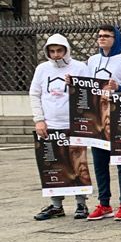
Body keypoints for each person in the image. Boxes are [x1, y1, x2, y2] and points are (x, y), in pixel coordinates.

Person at [30, 34, 91, 221]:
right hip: (50, 124)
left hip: (72, 123)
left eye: (59, 50)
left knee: (77, 163)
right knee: (52, 165)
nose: (56, 54)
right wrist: (39, 119)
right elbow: (35, 93)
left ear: (66, 50)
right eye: (52, 51)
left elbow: (89, 93)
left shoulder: (80, 67)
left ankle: (81, 203)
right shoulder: (42, 69)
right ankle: (56, 205)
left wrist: (75, 86)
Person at [83, 25, 121, 221]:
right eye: (99, 36)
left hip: (118, 116)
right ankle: (104, 202)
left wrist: (120, 87)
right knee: (100, 162)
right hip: (98, 117)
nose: (102, 39)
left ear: (116, 39)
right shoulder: (92, 60)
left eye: (107, 36)